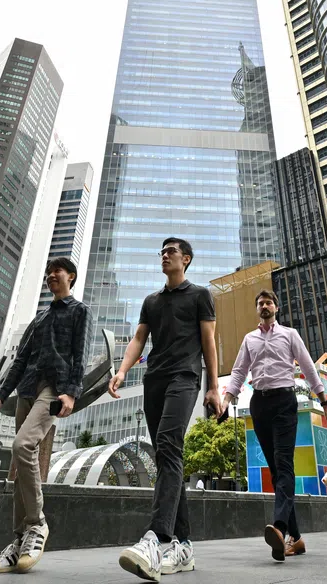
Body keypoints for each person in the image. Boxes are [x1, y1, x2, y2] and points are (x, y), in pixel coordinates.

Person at [109, 238, 222, 580]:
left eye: (171, 251)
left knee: (169, 446)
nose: (164, 255)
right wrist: (122, 370)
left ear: (186, 259)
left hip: (185, 376)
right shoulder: (151, 301)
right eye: (162, 252)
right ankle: (183, 545)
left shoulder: (200, 295)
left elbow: (209, 340)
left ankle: (155, 540)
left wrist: (214, 386)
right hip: (154, 380)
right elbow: (139, 339)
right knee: (166, 455)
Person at [0, 258, 91, 574]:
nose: (51, 275)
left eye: (57, 271)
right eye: (48, 273)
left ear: (71, 277)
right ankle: (19, 541)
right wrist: (0, 397)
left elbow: (80, 355)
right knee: (20, 464)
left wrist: (71, 392)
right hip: (27, 389)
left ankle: (37, 523)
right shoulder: (39, 318)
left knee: (23, 445)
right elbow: (20, 361)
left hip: (53, 388)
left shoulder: (80, 311)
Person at [222, 289, 327, 561]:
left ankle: (280, 528)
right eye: (260, 303)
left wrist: (325, 403)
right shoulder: (249, 339)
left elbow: (308, 367)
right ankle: (296, 538)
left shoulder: (290, 334)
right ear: (257, 309)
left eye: (269, 302)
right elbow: (238, 371)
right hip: (259, 404)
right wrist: (226, 401)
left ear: (276, 307)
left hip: (285, 401)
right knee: (276, 470)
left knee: (284, 463)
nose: (265, 306)